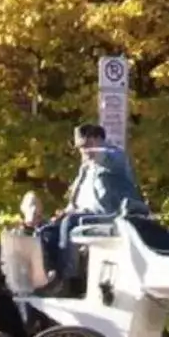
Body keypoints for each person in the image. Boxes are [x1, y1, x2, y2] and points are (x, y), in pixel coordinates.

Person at [36, 122, 147, 290]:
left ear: (98, 140)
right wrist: (63, 212)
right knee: (46, 230)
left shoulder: (115, 160)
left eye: (87, 145)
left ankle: (68, 278)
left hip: (109, 216)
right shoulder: (85, 169)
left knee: (70, 222)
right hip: (84, 215)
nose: (83, 151)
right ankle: (50, 273)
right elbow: (75, 202)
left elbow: (110, 155)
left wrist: (96, 150)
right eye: (80, 147)